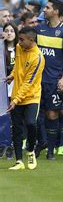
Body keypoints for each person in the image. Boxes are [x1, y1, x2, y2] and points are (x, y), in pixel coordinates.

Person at [35, 0, 63, 160]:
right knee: (35, 115)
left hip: (54, 79)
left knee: (52, 114)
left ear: (56, 11)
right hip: (37, 80)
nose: (45, 10)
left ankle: (50, 150)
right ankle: (41, 142)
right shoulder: (39, 29)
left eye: (48, 8)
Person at [6, 27, 45, 170]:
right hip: (17, 94)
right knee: (16, 128)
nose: (19, 42)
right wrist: (13, 75)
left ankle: (30, 151)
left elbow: (29, 82)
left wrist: (15, 100)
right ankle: (18, 161)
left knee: (30, 123)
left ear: (31, 40)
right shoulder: (18, 47)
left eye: (22, 39)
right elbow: (18, 66)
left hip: (31, 96)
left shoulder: (38, 58)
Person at [0, 23, 18, 160]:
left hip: (16, 86)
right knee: (3, 116)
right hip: (3, 86)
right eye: (7, 31)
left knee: (14, 118)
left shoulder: (20, 49)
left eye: (12, 31)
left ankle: (11, 145)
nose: (9, 33)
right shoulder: (1, 49)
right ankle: (3, 144)